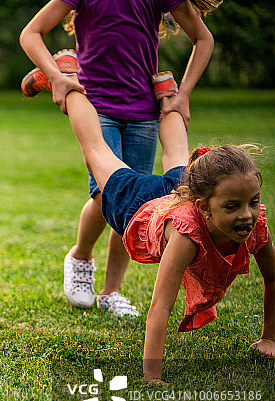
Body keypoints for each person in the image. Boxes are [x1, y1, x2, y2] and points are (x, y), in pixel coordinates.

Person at [51, 72, 275, 382]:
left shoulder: (254, 222)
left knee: (176, 155)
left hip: (176, 193)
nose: (247, 216)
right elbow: (160, 307)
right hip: (137, 205)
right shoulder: (187, 234)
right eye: (232, 206)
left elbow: (273, 279)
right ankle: (68, 81)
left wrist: (269, 340)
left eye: (252, 202)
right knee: (97, 151)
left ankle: (166, 93)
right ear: (204, 205)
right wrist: (152, 376)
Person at [19, 0, 215, 317]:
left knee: (134, 203)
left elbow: (203, 38)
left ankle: (111, 292)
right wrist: (57, 78)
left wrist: (184, 94)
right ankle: (81, 257)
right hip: (95, 103)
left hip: (143, 111)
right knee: (103, 193)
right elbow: (31, 33)